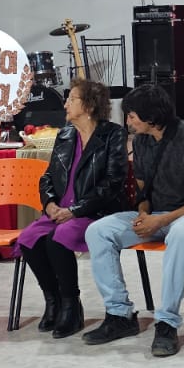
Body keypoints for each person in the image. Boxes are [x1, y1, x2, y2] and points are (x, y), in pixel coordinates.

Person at [83, 84, 184, 357]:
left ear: (152, 116)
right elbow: (144, 193)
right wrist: (144, 214)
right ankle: (119, 314)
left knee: (180, 234)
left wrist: (162, 220)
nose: (128, 122)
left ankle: (167, 323)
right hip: (157, 215)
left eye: (132, 116)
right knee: (98, 231)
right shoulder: (141, 141)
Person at [16, 78, 128, 338]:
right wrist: (49, 203)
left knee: (58, 238)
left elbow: (113, 183)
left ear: (88, 105)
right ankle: (53, 300)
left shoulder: (113, 134)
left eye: (72, 99)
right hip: (61, 210)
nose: (65, 104)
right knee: (28, 239)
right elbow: (47, 176)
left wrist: (76, 210)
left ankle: (71, 305)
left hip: (95, 211)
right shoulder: (65, 134)